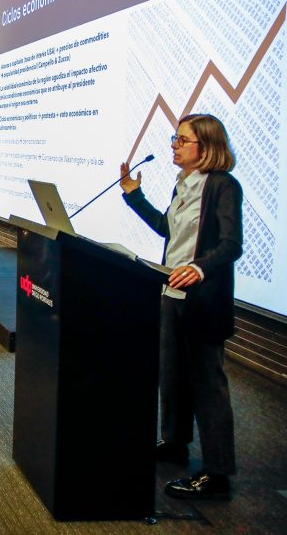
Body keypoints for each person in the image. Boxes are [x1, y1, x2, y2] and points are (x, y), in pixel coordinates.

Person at [120, 114, 242, 501]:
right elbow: (167, 229)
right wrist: (134, 196)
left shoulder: (223, 186)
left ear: (205, 147)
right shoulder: (182, 184)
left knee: (207, 385)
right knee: (171, 376)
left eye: (182, 140)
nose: (174, 145)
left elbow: (231, 244)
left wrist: (199, 268)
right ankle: (175, 444)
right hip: (170, 292)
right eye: (175, 138)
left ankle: (217, 473)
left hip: (203, 300)